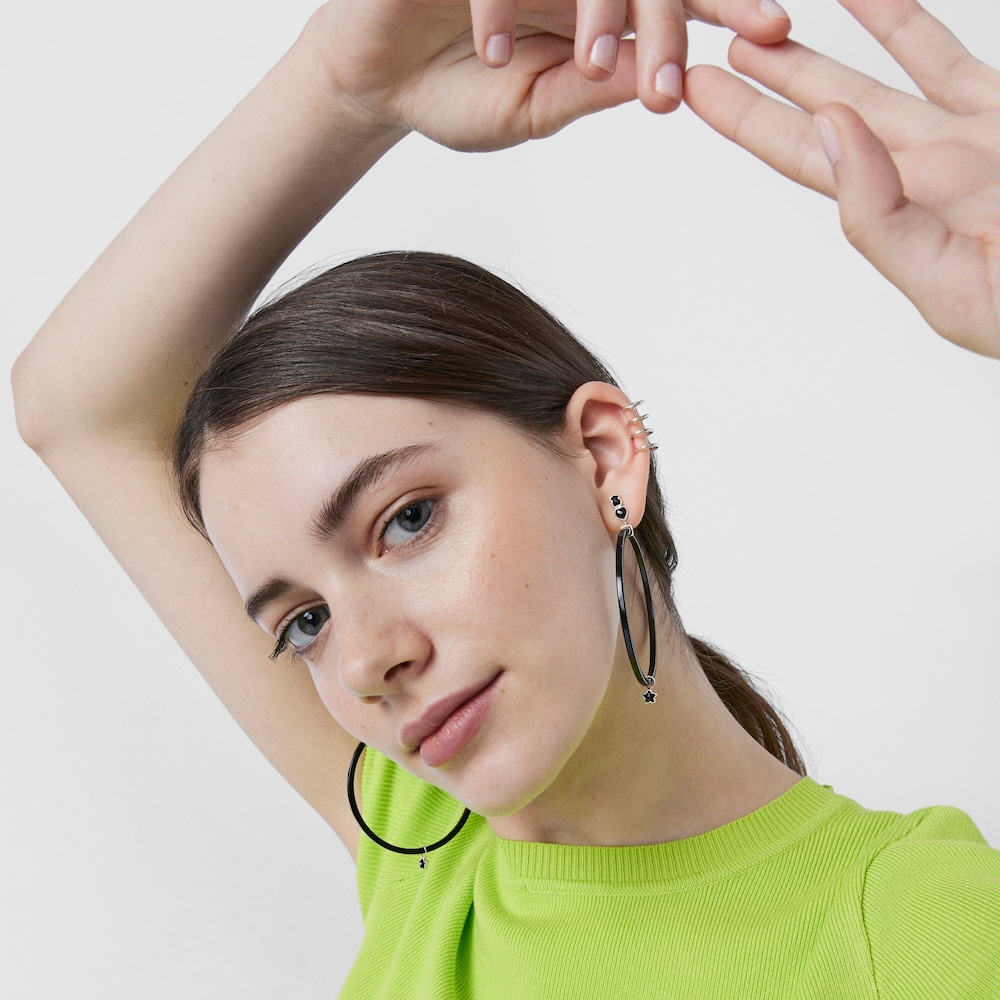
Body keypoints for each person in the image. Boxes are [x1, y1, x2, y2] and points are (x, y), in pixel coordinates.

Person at [10, 0, 999, 996]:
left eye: (406, 519)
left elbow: (79, 405)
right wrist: (340, 82)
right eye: (304, 621)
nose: (364, 660)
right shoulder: (426, 847)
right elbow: (77, 405)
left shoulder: (912, 919)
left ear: (604, 458)